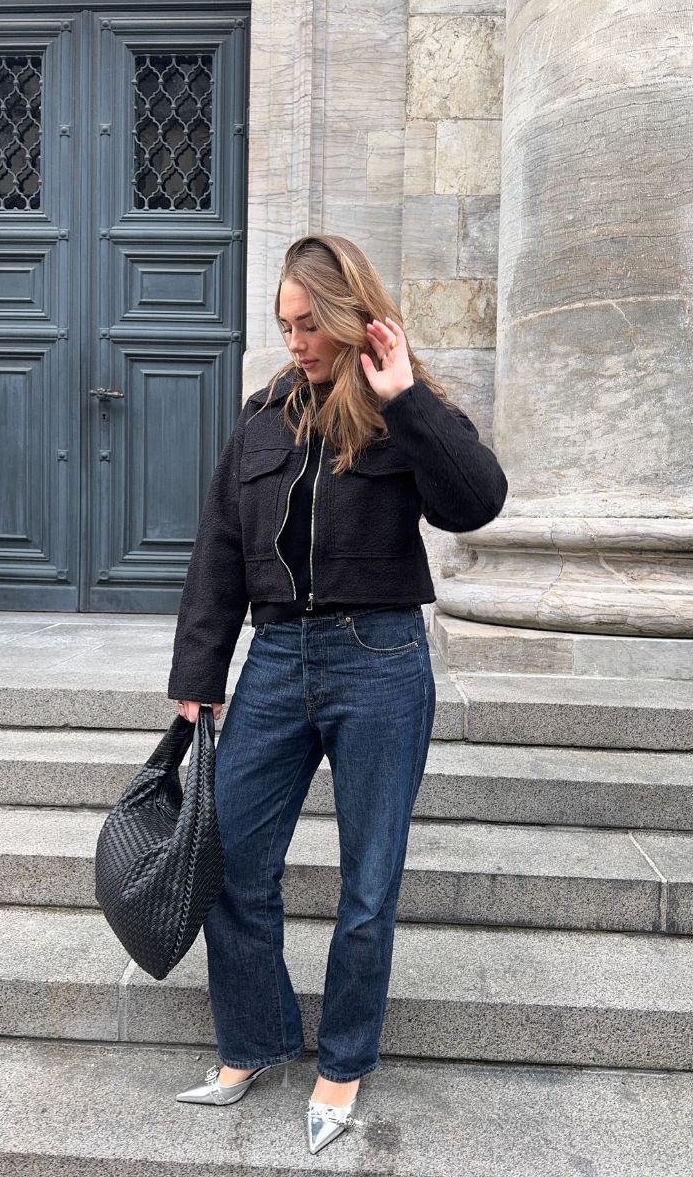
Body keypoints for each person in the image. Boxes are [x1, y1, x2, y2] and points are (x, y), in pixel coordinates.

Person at [167, 234, 507, 1155]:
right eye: (285, 325)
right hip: (276, 657)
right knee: (230, 859)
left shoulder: (407, 407)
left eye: (309, 324)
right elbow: (219, 547)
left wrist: (406, 400)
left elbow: (476, 503)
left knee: (368, 881)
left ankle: (344, 1063)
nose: (296, 342)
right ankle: (253, 1041)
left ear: (353, 315)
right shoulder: (264, 415)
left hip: (380, 658)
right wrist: (198, 675)